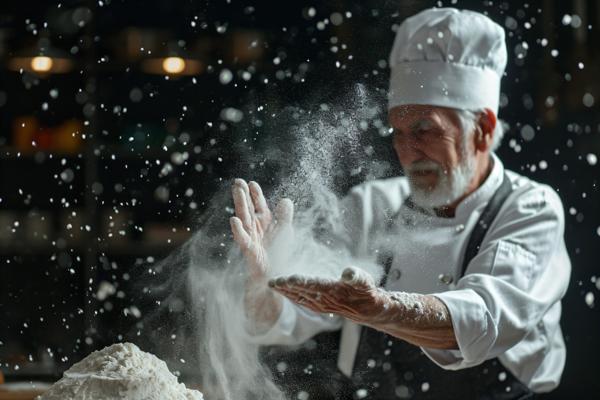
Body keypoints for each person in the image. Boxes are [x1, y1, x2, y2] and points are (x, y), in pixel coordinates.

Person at [229, 8, 571, 400]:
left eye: (425, 130)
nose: (408, 150)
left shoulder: (530, 209)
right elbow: (292, 314)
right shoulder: (372, 206)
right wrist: (264, 287)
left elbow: (485, 316)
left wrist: (381, 310)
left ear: (483, 129)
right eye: (399, 132)